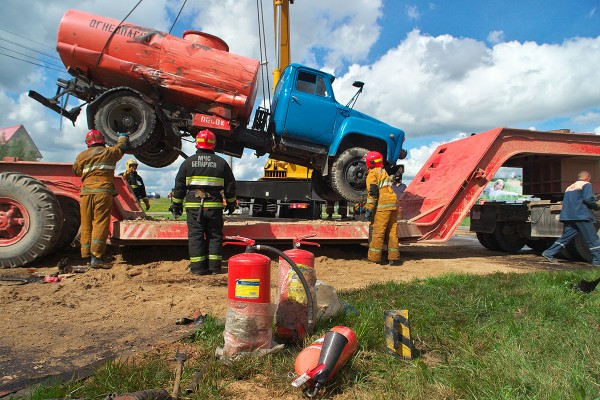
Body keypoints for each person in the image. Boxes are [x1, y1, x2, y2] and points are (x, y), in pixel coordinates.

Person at [170, 129, 236, 275]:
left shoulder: (187, 163)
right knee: (215, 236)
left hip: (194, 207)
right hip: (214, 207)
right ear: (214, 144)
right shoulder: (221, 163)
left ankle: (198, 269)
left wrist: (176, 206)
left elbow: (179, 187)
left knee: (195, 237)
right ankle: (214, 268)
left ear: (197, 144)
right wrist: (231, 204)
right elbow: (230, 186)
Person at [72, 129, 129, 269]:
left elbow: (76, 170)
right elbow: (121, 148)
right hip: (102, 193)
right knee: (100, 223)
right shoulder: (108, 152)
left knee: (86, 223)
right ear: (102, 140)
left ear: (88, 143)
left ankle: (86, 254)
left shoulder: (82, 156)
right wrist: (122, 137)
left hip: (86, 193)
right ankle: (96, 257)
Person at [542, 170, 600, 267]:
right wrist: (596, 206)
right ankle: (597, 262)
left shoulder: (569, 187)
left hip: (569, 217)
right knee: (593, 239)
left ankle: (549, 253)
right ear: (587, 178)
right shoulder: (586, 184)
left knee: (565, 238)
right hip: (581, 216)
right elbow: (588, 199)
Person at [363, 151, 400, 266]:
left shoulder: (373, 173)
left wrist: (369, 208)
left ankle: (374, 258)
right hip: (393, 204)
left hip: (383, 206)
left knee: (378, 231)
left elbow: (373, 193)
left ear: (370, 162)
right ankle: (393, 258)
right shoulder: (384, 172)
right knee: (392, 231)